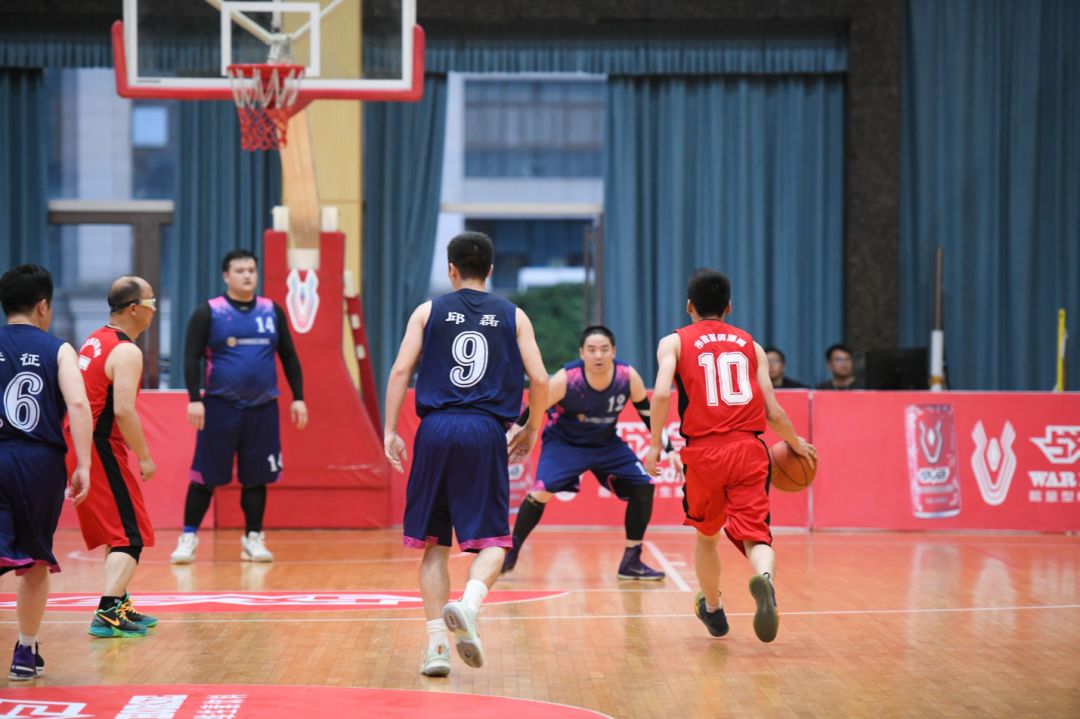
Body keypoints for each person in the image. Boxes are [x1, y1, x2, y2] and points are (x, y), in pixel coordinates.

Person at [383, 231, 548, 677]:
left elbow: (400, 370)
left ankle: (437, 647)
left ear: (451, 269)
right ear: (490, 270)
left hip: (435, 430)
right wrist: (531, 428)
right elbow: (540, 378)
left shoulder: (427, 311)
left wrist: (390, 430)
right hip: (484, 431)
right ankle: (470, 604)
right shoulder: (514, 315)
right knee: (494, 540)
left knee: (434, 545)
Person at [644, 269, 815, 644]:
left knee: (707, 536)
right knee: (756, 534)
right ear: (729, 307)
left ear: (689, 306)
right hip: (749, 450)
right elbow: (773, 412)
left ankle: (714, 609)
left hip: (703, 453)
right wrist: (797, 443)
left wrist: (656, 443)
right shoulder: (752, 346)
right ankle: (765, 582)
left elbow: (661, 394)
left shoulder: (674, 342)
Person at [502, 325, 681, 580]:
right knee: (540, 491)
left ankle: (631, 561)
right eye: (592, 350)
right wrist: (513, 434)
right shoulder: (567, 378)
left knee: (644, 485)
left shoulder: (627, 376)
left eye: (604, 349)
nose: (598, 355)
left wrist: (670, 449)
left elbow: (649, 414)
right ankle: (511, 552)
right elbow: (534, 407)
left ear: (613, 352)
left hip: (606, 444)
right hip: (564, 444)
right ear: (582, 353)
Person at [170, 249, 308, 564]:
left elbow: (289, 356)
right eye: (240, 271)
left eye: (251, 270)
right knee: (205, 476)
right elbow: (191, 357)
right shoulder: (209, 311)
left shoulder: (271, 311)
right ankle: (188, 537)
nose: (247, 275)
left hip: (263, 408)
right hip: (220, 407)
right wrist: (194, 399)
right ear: (226, 276)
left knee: (256, 477)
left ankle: (253, 538)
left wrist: (298, 396)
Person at [0, 265, 91, 679]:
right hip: (39, 462)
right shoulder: (59, 349)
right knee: (35, 560)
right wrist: (83, 464)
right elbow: (78, 405)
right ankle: (25, 651)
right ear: (43, 306)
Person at [72, 276, 160, 638]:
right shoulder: (126, 351)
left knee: (117, 529)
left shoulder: (94, 339)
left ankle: (119, 602)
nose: (154, 310)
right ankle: (107, 611)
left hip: (84, 441)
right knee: (130, 535)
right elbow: (123, 411)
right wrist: (145, 456)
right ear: (134, 308)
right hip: (100, 444)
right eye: (151, 303)